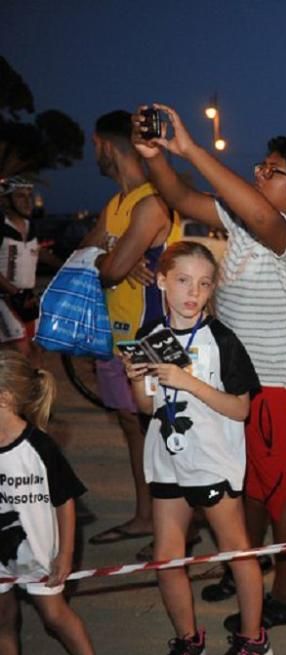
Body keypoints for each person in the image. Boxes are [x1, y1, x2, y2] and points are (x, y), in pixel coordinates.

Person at [134, 104, 286, 632]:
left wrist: (192, 149)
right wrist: (155, 157)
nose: (259, 174)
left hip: (284, 384)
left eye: (273, 171)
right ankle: (247, 565)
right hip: (238, 381)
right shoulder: (238, 224)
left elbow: (264, 218)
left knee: (285, 495)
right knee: (244, 486)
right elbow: (177, 196)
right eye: (260, 167)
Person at [121, 242, 269, 655]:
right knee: (168, 558)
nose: (193, 292)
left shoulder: (221, 339)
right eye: (183, 281)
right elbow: (147, 408)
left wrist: (187, 381)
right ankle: (189, 640)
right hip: (168, 460)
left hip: (212, 461)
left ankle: (253, 638)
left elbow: (240, 408)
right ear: (162, 281)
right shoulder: (152, 336)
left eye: (204, 284)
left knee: (235, 548)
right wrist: (137, 380)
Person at [85, 110, 183, 559]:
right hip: (117, 335)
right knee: (133, 428)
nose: (95, 156)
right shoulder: (116, 205)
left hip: (149, 335)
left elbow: (110, 271)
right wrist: (112, 251)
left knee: (162, 432)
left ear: (105, 144)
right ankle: (147, 517)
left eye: (95, 147)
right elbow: (87, 252)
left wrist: (114, 257)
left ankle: (178, 529)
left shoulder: (151, 201)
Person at [0, 350, 99, 655]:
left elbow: (64, 499)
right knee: (2, 617)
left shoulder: (38, 447)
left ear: (4, 398)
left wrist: (65, 554)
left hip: (37, 549)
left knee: (54, 615)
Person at [0, 176, 60, 366]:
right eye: (20, 197)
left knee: (36, 349)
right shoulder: (2, 228)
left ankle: (32, 392)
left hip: (25, 297)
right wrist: (13, 292)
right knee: (22, 350)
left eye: (29, 196)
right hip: (6, 298)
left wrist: (67, 265)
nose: (28, 201)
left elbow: (38, 252)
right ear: (6, 201)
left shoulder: (30, 227)